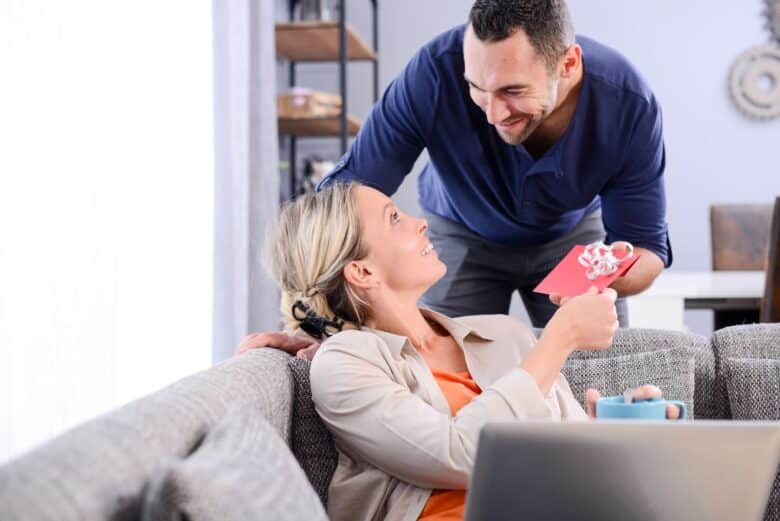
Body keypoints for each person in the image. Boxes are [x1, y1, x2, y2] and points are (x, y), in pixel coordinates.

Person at [237, 182, 681, 521]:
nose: (421, 221)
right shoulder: (346, 362)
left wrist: (612, 432)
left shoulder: (505, 336)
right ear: (362, 271)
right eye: (394, 219)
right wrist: (559, 339)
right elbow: (462, 454)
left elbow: (568, 468)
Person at [317, 0, 672, 327]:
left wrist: (600, 276)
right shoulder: (433, 73)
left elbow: (646, 246)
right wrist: (317, 318)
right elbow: (347, 195)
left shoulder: (629, 105)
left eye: (513, 91)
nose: (493, 115)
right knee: (445, 364)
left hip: (571, 240)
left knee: (597, 362)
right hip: (459, 229)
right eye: (476, 88)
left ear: (568, 64)